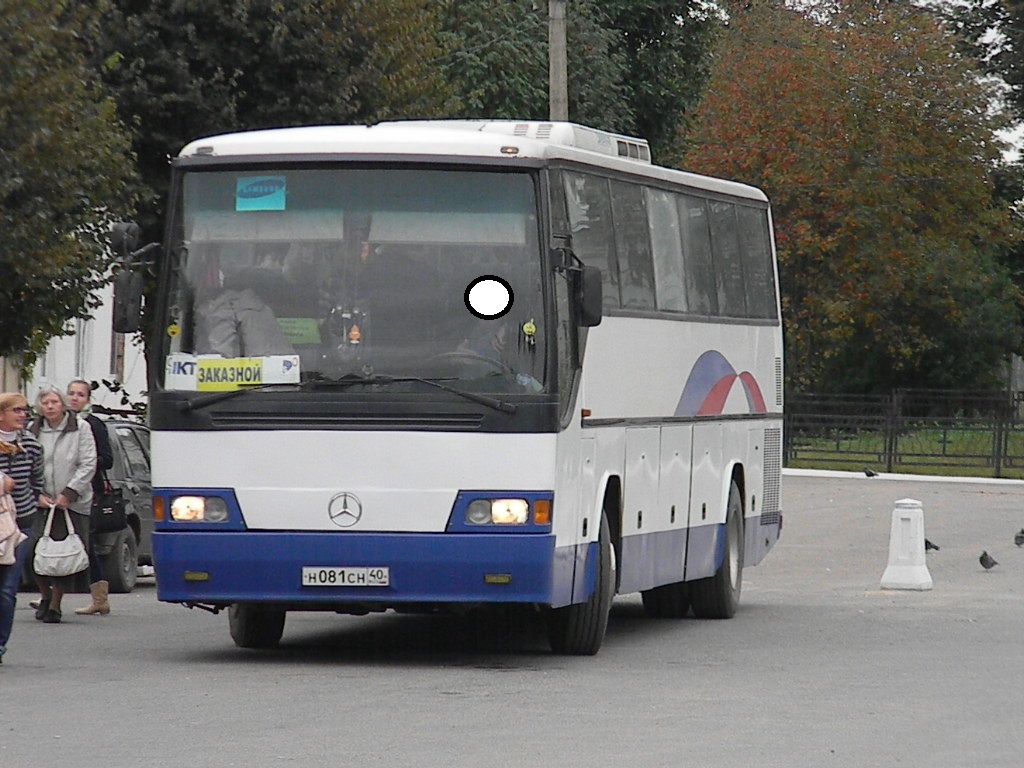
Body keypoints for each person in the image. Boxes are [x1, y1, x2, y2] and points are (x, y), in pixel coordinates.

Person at [28, 385, 97, 624]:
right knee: (34, 552)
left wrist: (69, 493)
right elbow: (28, 464)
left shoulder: (80, 428)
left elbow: (88, 463)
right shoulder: (33, 429)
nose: (49, 407)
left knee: (63, 556)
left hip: (71, 504)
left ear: (63, 404)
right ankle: (45, 595)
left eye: (54, 402)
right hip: (41, 502)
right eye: (45, 403)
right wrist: (37, 494)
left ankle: (55, 604)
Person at [0, 393, 45, 663]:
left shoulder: (31, 445)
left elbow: (37, 481)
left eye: (24, 410)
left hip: (21, 525)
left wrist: (28, 505)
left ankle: (0, 643)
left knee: (7, 589)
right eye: (16, 410)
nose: (22, 415)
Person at [66, 380, 114, 616]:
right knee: (57, 540)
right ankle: (50, 595)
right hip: (60, 490)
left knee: (85, 542)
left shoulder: (93, 424)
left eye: (80, 394)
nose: (75, 398)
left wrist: (85, 461)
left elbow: (107, 458)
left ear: (88, 399)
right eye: (71, 393)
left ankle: (99, 598)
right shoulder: (58, 423)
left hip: (87, 491)